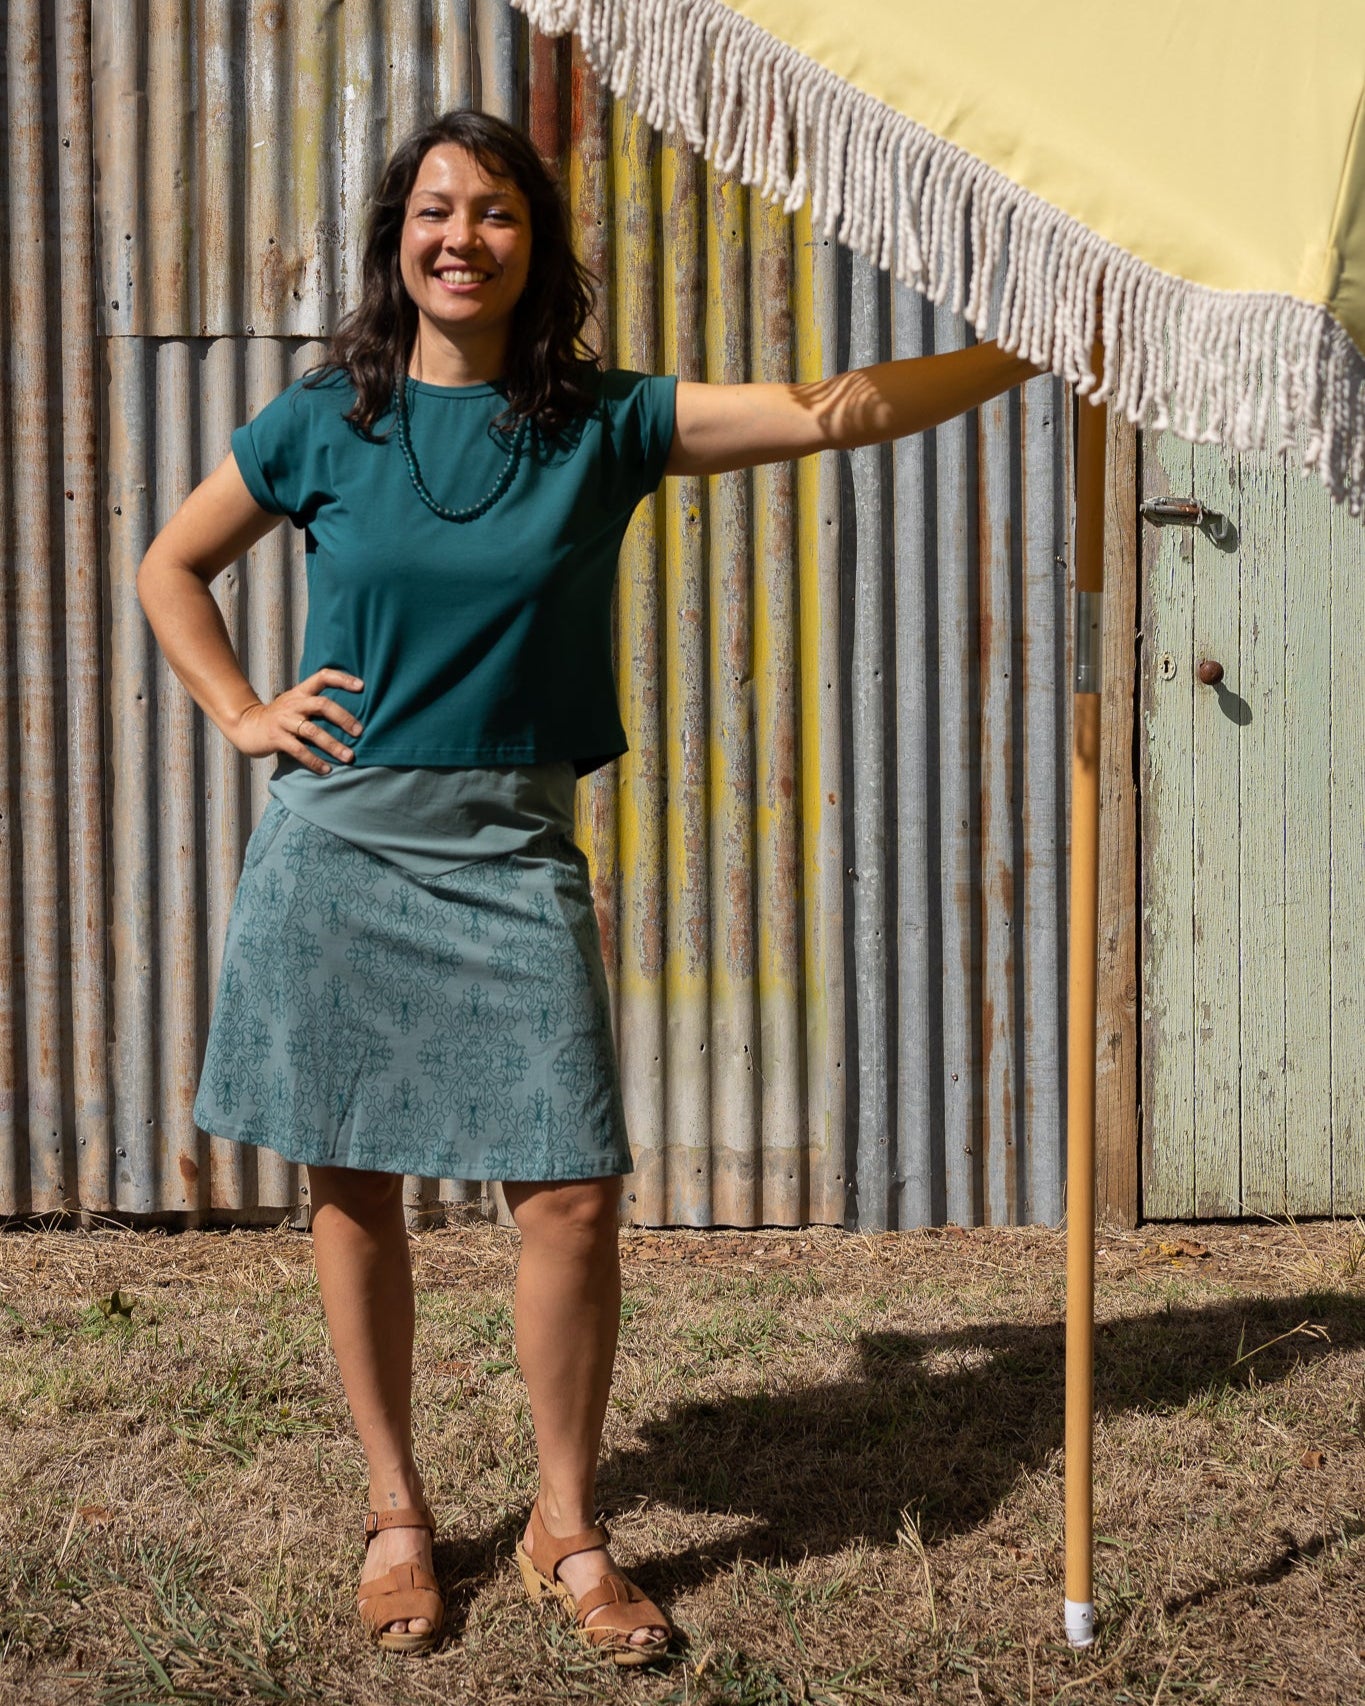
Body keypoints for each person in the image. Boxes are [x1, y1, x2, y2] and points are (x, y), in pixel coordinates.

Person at [137, 108, 1035, 1665]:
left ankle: (566, 1519)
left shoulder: (603, 423)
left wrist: (1037, 354)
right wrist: (239, 707)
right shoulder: (318, 421)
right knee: (348, 1175)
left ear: (535, 245)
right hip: (337, 846)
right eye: (433, 210)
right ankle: (397, 1505)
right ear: (393, 240)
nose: (460, 237)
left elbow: (836, 410)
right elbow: (170, 565)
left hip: (508, 853)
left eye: (493, 212)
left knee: (568, 1190)